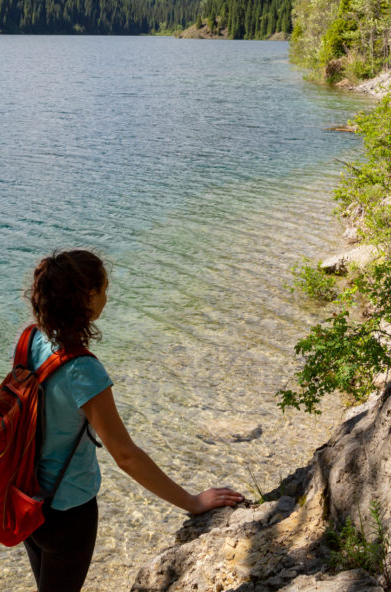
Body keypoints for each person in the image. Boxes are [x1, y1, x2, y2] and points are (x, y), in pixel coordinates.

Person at [23, 248, 244, 592]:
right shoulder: (84, 371)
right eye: (105, 290)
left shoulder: (31, 340)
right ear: (88, 296)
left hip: (26, 498)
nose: (107, 299)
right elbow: (125, 456)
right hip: (68, 513)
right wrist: (192, 501)